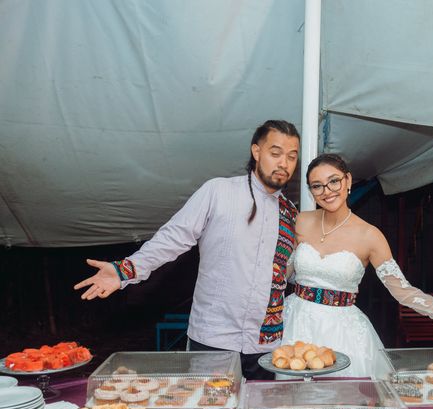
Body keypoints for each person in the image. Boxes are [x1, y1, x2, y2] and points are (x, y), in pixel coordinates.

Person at [73, 120, 301, 380]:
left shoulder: (290, 213)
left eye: (292, 156)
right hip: (214, 339)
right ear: (256, 152)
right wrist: (124, 271)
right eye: (276, 153)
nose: (284, 163)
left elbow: (290, 272)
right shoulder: (219, 191)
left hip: (267, 347)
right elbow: (173, 237)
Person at [281, 153, 433, 378]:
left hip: (342, 332)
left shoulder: (370, 236)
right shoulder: (300, 221)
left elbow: (402, 291)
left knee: (342, 403)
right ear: (311, 190)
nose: (327, 191)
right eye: (317, 186)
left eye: (334, 181)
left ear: (348, 181)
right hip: (296, 324)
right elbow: (282, 274)